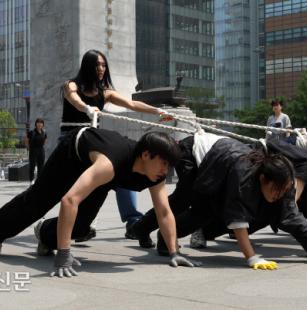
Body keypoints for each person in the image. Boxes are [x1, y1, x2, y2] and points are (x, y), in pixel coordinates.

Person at [130, 132, 307, 269]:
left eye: (281, 192)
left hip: (219, 165)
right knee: (182, 203)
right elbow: (238, 219)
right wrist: (252, 257)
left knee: (204, 212)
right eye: (274, 190)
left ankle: (161, 235)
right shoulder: (244, 176)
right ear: (262, 179)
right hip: (196, 153)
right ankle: (144, 229)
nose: (277, 196)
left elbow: (293, 217)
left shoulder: (283, 183)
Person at [0, 128, 200, 277]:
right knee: (36, 203)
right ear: (146, 155)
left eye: (170, 166)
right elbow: (70, 200)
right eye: (164, 163)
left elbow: (164, 211)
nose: (166, 171)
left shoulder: (155, 175)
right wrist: (63, 255)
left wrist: (173, 251)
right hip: (72, 158)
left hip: (105, 176)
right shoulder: (110, 163)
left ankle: (44, 232)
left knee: (80, 228)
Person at [60, 49, 170, 242]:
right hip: (72, 142)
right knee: (80, 185)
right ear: (87, 66)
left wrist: (158, 111)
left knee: (123, 170)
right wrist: (86, 108)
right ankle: (82, 224)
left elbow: (132, 104)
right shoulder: (71, 85)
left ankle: (133, 221)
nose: (101, 69)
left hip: (94, 141)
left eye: (103, 65)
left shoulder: (105, 93)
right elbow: (74, 100)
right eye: (97, 65)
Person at [25, 118, 47, 184]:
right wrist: (29, 148)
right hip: (33, 150)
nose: (39, 124)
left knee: (41, 166)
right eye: (38, 123)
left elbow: (45, 140)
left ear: (43, 124)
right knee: (32, 165)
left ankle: (39, 180)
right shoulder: (31, 132)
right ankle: (31, 180)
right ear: (36, 124)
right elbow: (26, 141)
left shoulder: (44, 132)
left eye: (41, 123)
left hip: (41, 150)